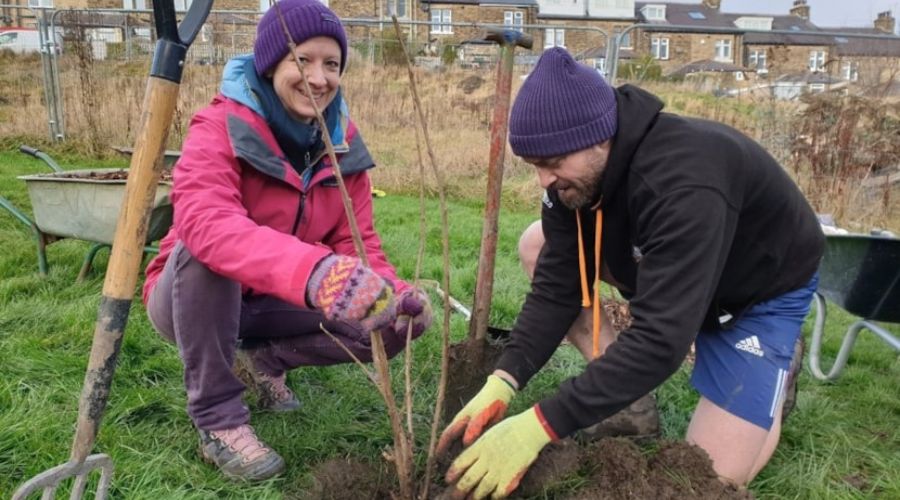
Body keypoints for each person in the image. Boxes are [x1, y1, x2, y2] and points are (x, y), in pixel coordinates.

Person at [438, 47, 824, 499]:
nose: (543, 179)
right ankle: (624, 388)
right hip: (666, 260)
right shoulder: (576, 179)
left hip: (755, 293)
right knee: (538, 244)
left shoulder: (684, 184)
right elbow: (559, 285)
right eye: (534, 166)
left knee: (707, 479)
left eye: (553, 163)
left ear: (602, 137)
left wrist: (539, 426)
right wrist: (505, 378)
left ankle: (772, 367)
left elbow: (662, 340)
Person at [142, 0, 432, 481]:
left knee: (392, 322)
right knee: (204, 248)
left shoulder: (342, 145)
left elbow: (358, 244)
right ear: (271, 62)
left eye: (332, 63)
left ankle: (265, 360)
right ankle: (218, 419)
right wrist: (313, 273)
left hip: (274, 300)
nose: (318, 78)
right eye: (302, 59)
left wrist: (390, 291)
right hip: (189, 298)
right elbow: (206, 222)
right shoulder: (219, 126)